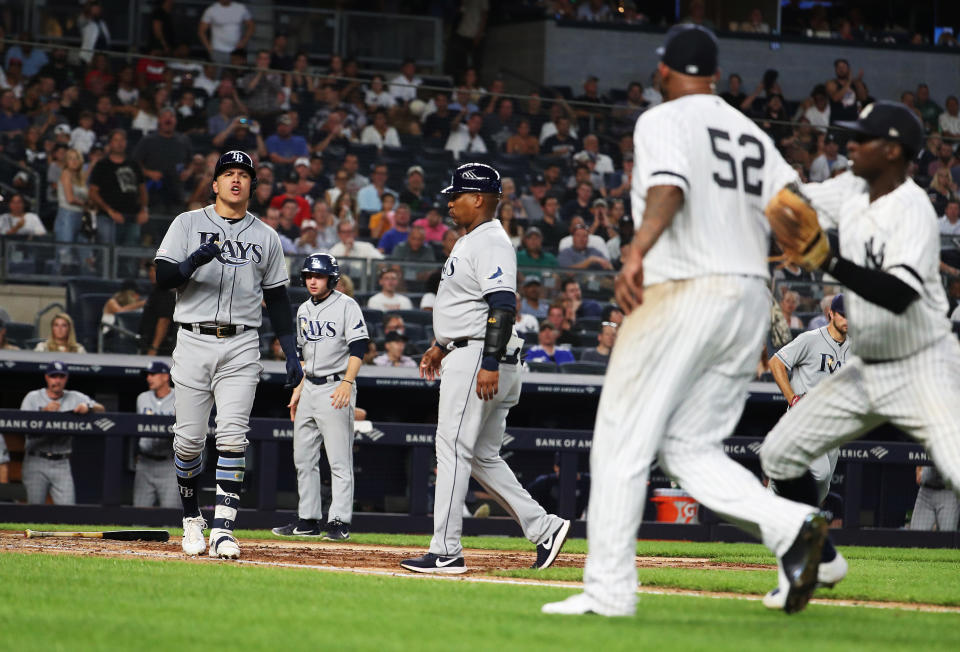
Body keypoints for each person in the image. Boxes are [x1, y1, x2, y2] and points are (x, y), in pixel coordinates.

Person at [543, 25, 828, 619]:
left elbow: (669, 188)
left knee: (621, 436)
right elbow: (798, 222)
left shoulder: (663, 118)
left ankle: (610, 592)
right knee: (688, 447)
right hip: (749, 298)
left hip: (685, 288)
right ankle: (796, 527)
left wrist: (636, 250)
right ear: (715, 75)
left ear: (666, 71)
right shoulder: (751, 132)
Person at [760, 102, 960, 605]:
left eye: (862, 138)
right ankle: (820, 558)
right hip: (867, 367)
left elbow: (898, 293)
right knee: (780, 456)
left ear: (892, 151)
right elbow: (791, 197)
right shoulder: (850, 187)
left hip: (923, 364)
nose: (849, 144)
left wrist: (828, 256)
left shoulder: (913, 208)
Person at [401, 163, 570, 574]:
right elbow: (471, 304)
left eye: (456, 195)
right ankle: (543, 527)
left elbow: (502, 305)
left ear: (478, 199)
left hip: (481, 356)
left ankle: (446, 550)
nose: (449, 202)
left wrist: (488, 361)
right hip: (473, 352)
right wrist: (441, 346)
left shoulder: (490, 240)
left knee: (453, 448)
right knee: (480, 454)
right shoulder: (473, 240)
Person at [154, 150, 303, 559]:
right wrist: (191, 262)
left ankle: (223, 527)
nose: (236, 180)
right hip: (194, 338)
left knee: (233, 436)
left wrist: (292, 352)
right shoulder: (187, 224)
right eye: (228, 174)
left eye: (243, 174)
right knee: (188, 443)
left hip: (241, 343)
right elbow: (162, 277)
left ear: (252, 185)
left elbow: (277, 299)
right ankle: (190, 517)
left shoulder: (267, 236)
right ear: (215, 184)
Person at [272, 254, 368, 540]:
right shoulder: (303, 309)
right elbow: (301, 354)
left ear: (332, 279)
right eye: (309, 276)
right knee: (303, 458)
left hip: (335, 385)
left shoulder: (347, 305)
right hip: (310, 386)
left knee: (339, 460)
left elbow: (359, 347)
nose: (313, 280)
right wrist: (298, 389)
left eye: (320, 276)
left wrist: (348, 383)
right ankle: (308, 519)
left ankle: (339, 521)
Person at [768, 294, 849, 509]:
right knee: (820, 474)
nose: (847, 320)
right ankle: (777, 482)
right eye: (843, 315)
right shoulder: (811, 339)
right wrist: (792, 398)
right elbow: (776, 363)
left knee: (822, 489)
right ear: (830, 314)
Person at [20, 361, 105, 505]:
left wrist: (88, 407)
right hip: (36, 459)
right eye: (54, 376)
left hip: (62, 462)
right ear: (47, 377)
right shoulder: (33, 397)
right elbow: (21, 426)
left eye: (61, 376)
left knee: (68, 511)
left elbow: (101, 409)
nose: (57, 380)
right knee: (34, 512)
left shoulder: (74, 397)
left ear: (66, 378)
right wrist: (44, 413)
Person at [89, 129, 149, 248]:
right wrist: (109, 211)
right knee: (107, 254)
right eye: (116, 140)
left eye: (122, 140)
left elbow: (142, 189)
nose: (119, 143)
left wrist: (144, 210)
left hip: (132, 216)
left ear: (126, 143)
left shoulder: (134, 164)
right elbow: (93, 192)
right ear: (110, 143)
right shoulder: (102, 165)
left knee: (130, 255)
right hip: (107, 217)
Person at [134, 361, 179, 508]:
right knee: (139, 516)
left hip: (170, 464)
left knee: (171, 516)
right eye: (148, 374)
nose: (149, 378)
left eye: (153, 374)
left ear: (166, 377)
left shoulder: (180, 398)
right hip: (145, 463)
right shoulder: (142, 398)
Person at [139, 262, 177, 356]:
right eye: (150, 270)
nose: (151, 274)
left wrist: (154, 347)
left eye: (155, 271)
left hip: (160, 348)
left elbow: (164, 321)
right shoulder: (157, 291)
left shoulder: (165, 293)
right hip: (149, 342)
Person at [199, 0, 254, 64]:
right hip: (218, 50)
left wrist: (244, 42)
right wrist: (209, 48)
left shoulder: (241, 8)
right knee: (218, 73)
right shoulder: (211, 10)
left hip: (236, 50)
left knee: (235, 72)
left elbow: (251, 26)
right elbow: (201, 31)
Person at [908, 466, 959, 531]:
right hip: (925, 493)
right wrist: (918, 471)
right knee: (915, 536)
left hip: (948, 493)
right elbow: (921, 456)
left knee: (947, 537)